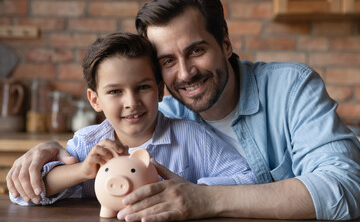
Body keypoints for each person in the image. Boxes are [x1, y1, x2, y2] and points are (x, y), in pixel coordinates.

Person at [7, 0, 360, 221]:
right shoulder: (164, 112)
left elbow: (344, 190)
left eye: (196, 50)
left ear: (224, 44)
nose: (185, 73)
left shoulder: (292, 87)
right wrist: (55, 152)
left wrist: (206, 199)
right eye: (167, 61)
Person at [9, 32, 255, 206]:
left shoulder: (193, 138)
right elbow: (22, 196)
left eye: (143, 87)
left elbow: (249, 179)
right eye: (115, 91)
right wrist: (82, 171)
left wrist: (196, 191)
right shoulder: (87, 144)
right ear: (95, 100)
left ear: (160, 90)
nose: (131, 102)